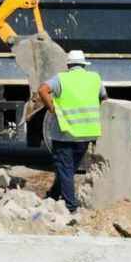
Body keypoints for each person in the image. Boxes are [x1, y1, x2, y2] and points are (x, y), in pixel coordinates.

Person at [38, 50, 107, 213]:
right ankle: (53, 195)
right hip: (87, 133)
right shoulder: (95, 78)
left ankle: (70, 206)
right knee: (68, 168)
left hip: (65, 132)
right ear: (84, 64)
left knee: (65, 169)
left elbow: (42, 90)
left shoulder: (62, 78)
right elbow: (104, 98)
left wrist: (52, 108)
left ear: (68, 65)